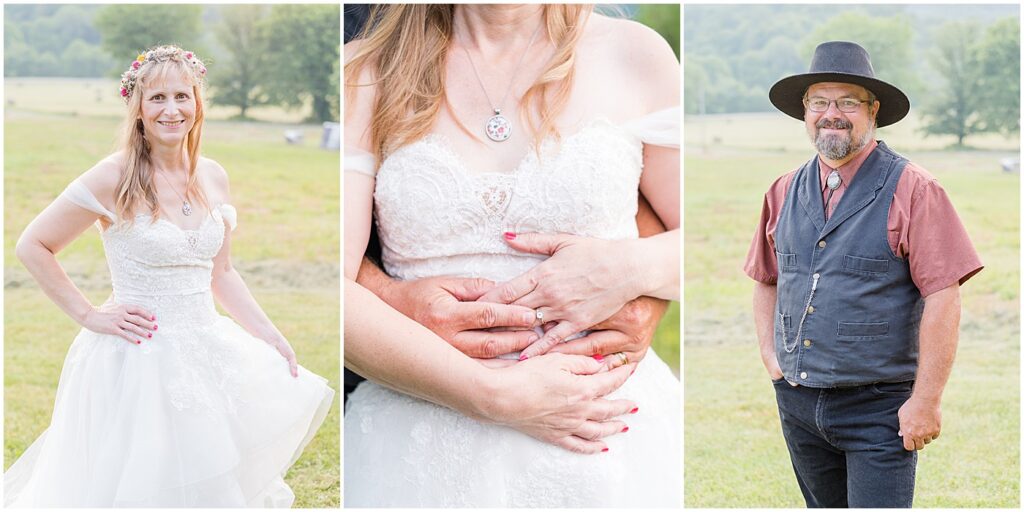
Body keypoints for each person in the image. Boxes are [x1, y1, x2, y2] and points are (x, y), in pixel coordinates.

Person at [344, 4, 680, 507]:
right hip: (421, 438)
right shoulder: (363, 70)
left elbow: (712, 243)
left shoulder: (636, 53)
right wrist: (493, 396)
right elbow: (335, 285)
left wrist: (628, 269)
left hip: (604, 430)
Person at [4, 45, 334, 508]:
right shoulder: (112, 176)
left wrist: (269, 333)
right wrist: (88, 314)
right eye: (157, 98)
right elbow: (32, 245)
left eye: (182, 96)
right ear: (138, 107)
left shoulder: (214, 176)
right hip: (137, 358)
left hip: (204, 348)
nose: (171, 109)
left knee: (207, 480)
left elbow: (223, 273)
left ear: (198, 103)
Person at [745, 41, 983, 507]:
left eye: (847, 102)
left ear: (872, 111)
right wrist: (771, 359)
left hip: (880, 408)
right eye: (819, 102)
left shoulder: (916, 189)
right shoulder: (782, 189)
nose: (831, 114)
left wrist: (927, 401)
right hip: (797, 401)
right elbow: (765, 278)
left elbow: (943, 296)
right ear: (805, 111)